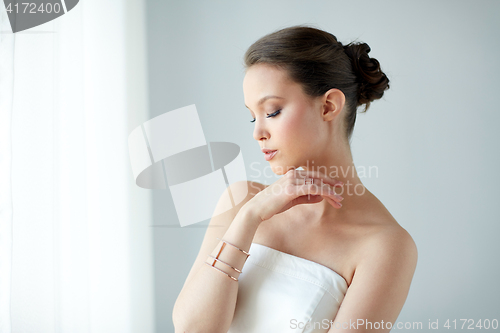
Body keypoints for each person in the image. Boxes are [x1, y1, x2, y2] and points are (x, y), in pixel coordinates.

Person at [172, 25, 417, 333]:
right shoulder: (241, 201)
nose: (257, 132)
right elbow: (192, 329)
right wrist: (250, 216)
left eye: (272, 112)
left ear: (328, 106)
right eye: (253, 115)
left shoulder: (386, 246)